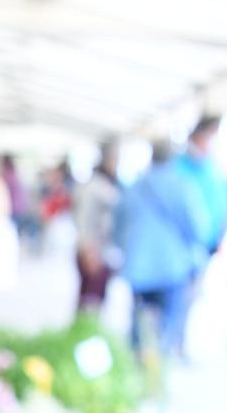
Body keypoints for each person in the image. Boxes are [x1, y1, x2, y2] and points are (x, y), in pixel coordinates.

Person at [114, 140, 210, 360]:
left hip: (138, 265)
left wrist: (124, 249)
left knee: (140, 323)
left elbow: (119, 224)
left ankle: (139, 364)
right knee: (167, 325)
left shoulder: (136, 185)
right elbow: (199, 228)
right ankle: (158, 368)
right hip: (173, 266)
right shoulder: (183, 186)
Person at [73, 141, 122, 316]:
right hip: (93, 251)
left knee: (96, 299)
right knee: (89, 300)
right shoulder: (94, 186)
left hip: (103, 251)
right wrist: (88, 249)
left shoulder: (110, 184)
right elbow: (84, 219)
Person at [176, 115, 227, 256]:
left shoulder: (214, 171)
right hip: (181, 251)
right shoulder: (176, 167)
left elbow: (222, 209)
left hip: (208, 248)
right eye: (209, 135)